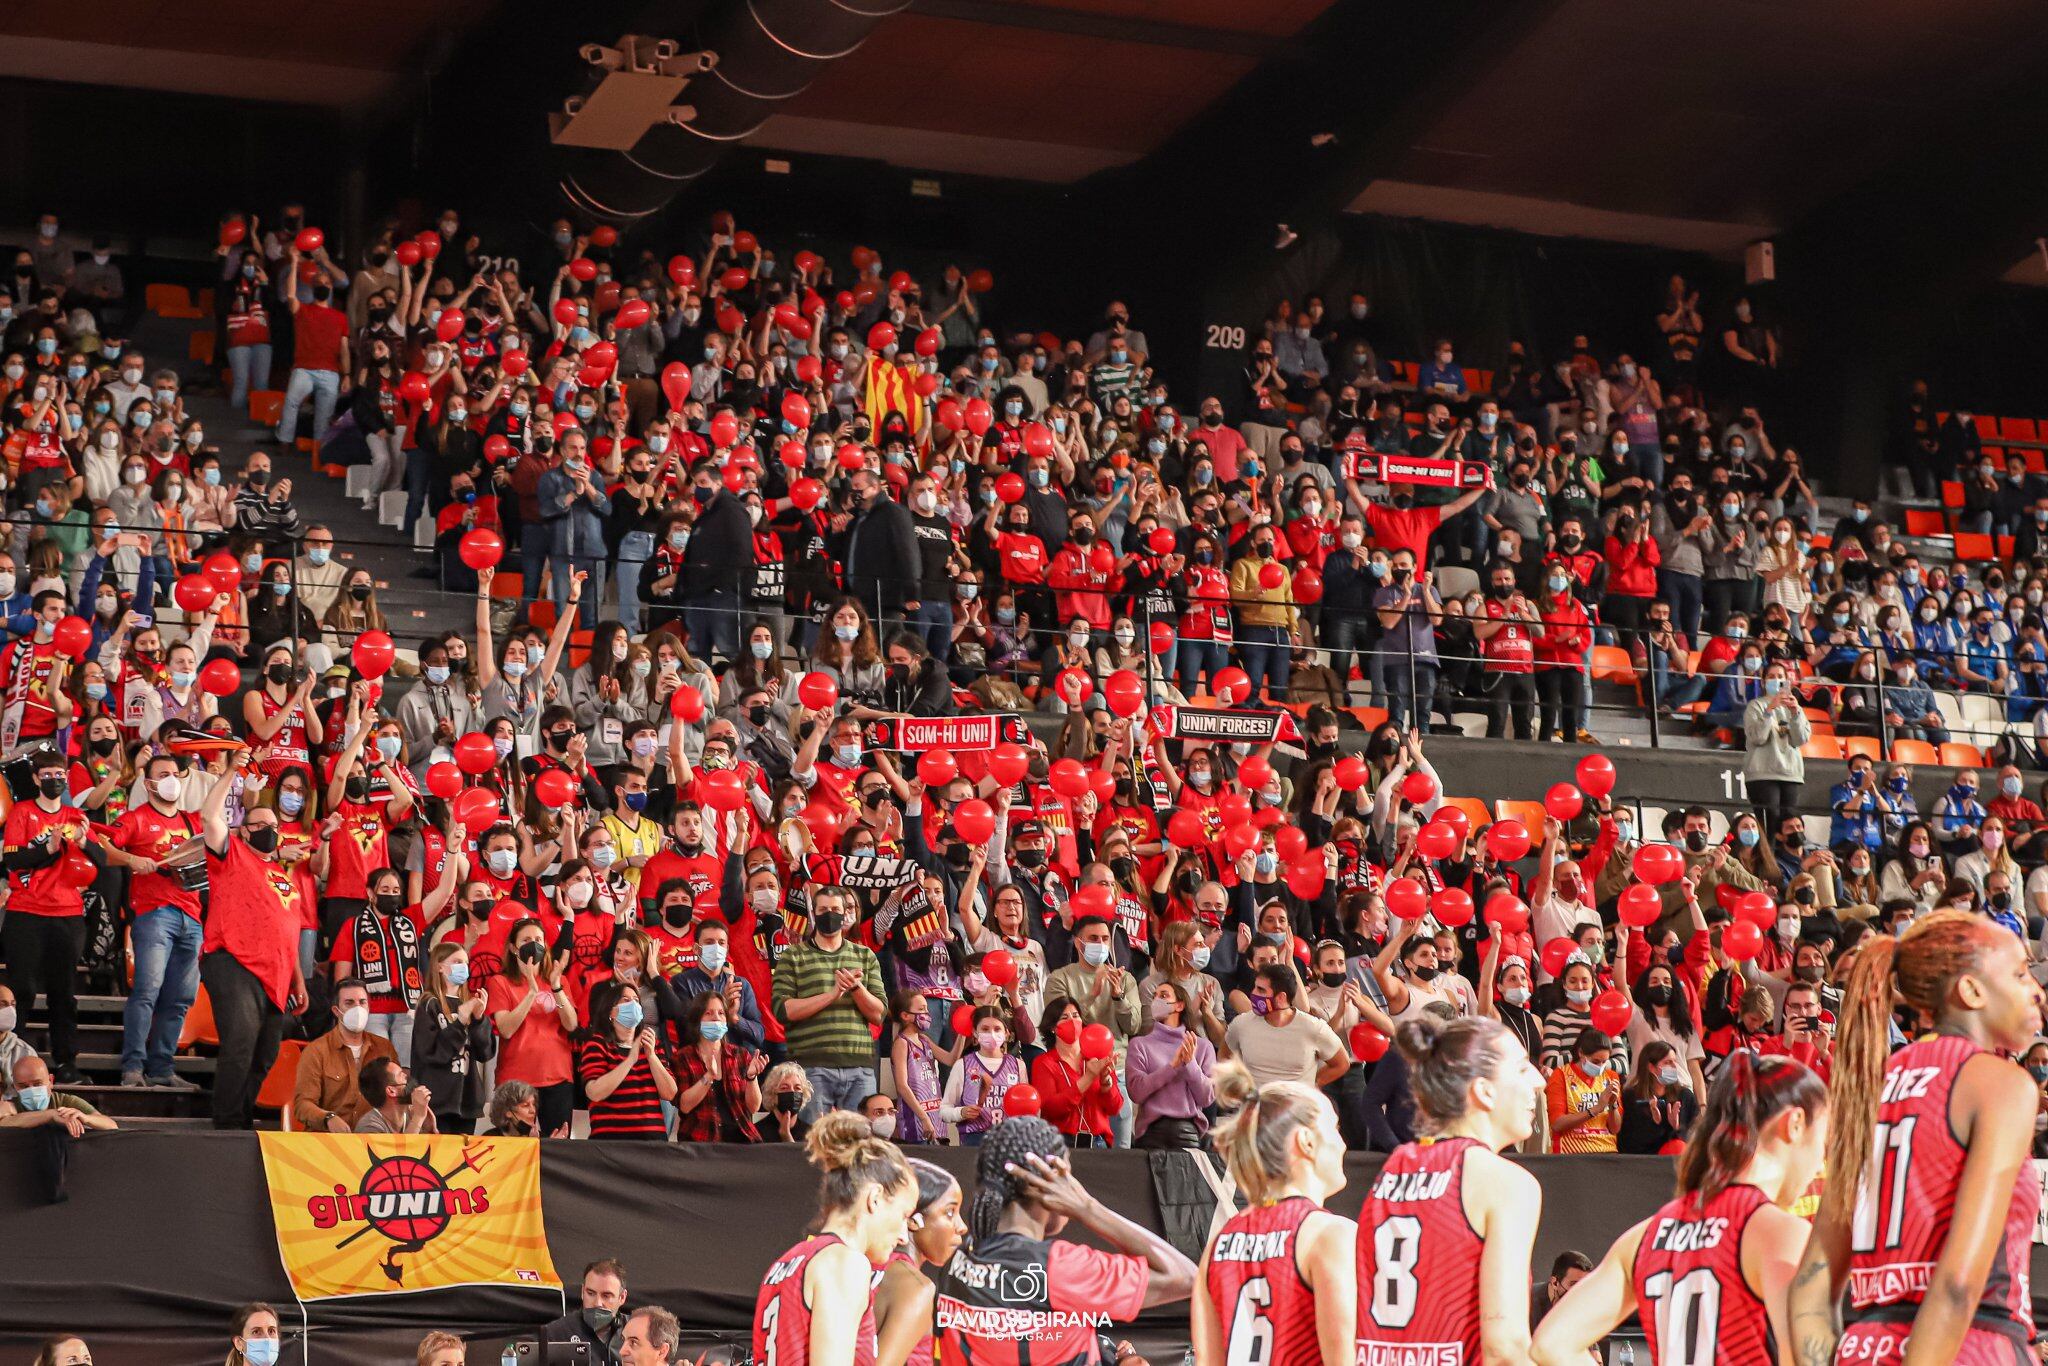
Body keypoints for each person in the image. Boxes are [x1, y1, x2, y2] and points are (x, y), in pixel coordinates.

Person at [1790, 911, 2043, 1366]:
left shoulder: (1866, 1086)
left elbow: (1810, 1287)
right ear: (1971, 991)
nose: (2036, 989)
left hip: (1865, 1346)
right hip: (1967, 1345)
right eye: (2021, 973)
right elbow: (1958, 1285)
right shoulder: (1999, 1083)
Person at [1531, 1054, 1829, 1366]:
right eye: (1822, 1138)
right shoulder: (1777, 1232)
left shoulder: (1647, 1234)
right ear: (1794, 1124)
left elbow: (1550, 1344)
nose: (1820, 1159)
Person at [1355, 1015, 1544, 1366]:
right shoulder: (1505, 1182)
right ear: (1484, 1091)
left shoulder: (1393, 1171)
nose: (1538, 1080)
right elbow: (1504, 1347)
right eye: (1522, 1069)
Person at [931, 1116, 1196, 1364]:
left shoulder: (956, 1263)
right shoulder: (1059, 1267)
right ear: (1044, 1184)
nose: (1072, 1186)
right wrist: (1086, 1207)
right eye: (1067, 1178)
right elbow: (1186, 1276)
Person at [1190, 1062, 1357, 1366]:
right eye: (1334, 1128)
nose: (1343, 1144)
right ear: (1306, 1142)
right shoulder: (1328, 1234)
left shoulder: (1218, 1245)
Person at [753, 1111, 919, 1366]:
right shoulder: (846, 1264)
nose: (902, 1235)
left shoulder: (789, 1260)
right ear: (874, 1199)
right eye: (903, 1215)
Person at [199, 751, 308, 1130]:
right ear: (245, 830)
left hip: (278, 973)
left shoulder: (285, 876)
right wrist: (231, 770)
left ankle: (240, 1120)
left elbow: (289, 928)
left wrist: (298, 978)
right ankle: (226, 1122)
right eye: (261, 822)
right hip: (232, 959)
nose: (270, 828)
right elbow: (210, 817)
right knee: (241, 1041)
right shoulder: (231, 854)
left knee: (265, 1053)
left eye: (275, 824)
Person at [772, 884, 887, 1119]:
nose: (830, 914)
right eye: (823, 909)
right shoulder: (792, 956)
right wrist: (832, 995)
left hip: (860, 1067)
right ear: (813, 913)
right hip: (811, 1066)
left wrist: (856, 988)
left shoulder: (864, 956)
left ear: (846, 914)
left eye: (835, 909)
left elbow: (878, 1013)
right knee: (814, 1144)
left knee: (858, 1144)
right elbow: (783, 1010)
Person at [873, 1159, 968, 1366]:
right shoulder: (917, 1288)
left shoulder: (867, 1267)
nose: (962, 1227)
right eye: (949, 1212)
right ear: (912, 1219)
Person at [293, 978, 399, 1133]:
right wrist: (328, 1118)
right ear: (336, 1011)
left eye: (362, 1002)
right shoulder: (316, 1051)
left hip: (373, 1141)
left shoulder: (384, 1048)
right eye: (349, 1003)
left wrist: (416, 1109)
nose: (358, 1008)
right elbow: (303, 1105)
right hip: (329, 1143)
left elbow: (396, 1095)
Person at [542, 1259, 630, 1366]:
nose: (598, 1303)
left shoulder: (639, 1331)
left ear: (622, 1297)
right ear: (582, 1292)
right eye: (591, 1293)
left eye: (606, 1296)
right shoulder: (555, 1334)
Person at [0, 1054, 116, 1134]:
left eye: (37, 1084)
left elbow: (111, 1125)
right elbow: (4, 1123)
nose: (31, 1090)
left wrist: (85, 1117)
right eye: (24, 1086)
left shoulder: (66, 1101)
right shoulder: (12, 1105)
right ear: (15, 1086)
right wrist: (51, 1115)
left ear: (50, 1080)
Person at [352, 1056, 437, 1134]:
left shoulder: (411, 1114)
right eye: (401, 1075)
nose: (407, 1077)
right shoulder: (369, 1127)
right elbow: (405, 1150)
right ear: (391, 1091)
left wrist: (429, 1130)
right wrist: (418, 1117)